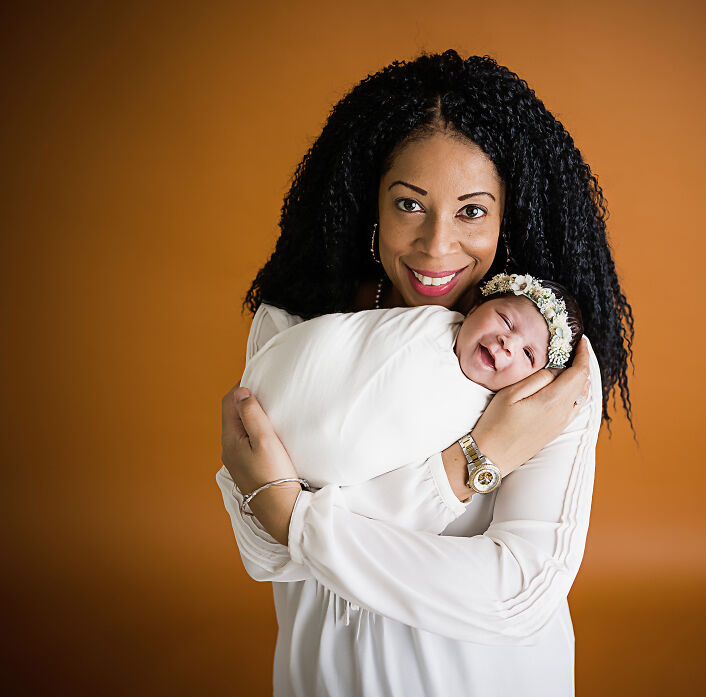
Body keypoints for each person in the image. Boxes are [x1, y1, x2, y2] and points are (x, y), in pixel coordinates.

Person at [218, 50, 634, 697]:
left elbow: (516, 593)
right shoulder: (293, 323)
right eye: (410, 204)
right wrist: (476, 459)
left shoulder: (541, 357)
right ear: (370, 204)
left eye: (472, 211)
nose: (437, 246)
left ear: (508, 213)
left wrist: (299, 518)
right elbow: (264, 552)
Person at [230, 274, 584, 519]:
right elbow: (356, 344)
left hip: (312, 479)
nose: (509, 343)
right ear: (475, 309)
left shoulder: (493, 412)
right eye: (505, 321)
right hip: (270, 407)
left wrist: (285, 513)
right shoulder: (429, 323)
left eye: (528, 355)